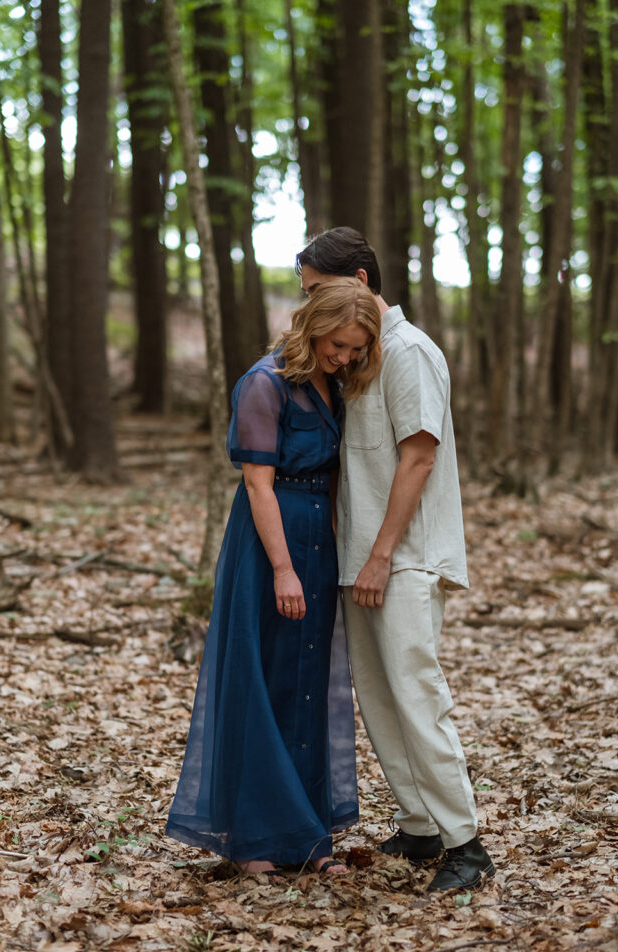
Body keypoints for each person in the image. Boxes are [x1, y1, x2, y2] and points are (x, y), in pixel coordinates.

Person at [295, 227, 494, 894]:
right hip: (361, 554)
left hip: (401, 557)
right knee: (379, 699)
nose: (310, 305)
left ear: (358, 279)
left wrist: (381, 556)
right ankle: (419, 825)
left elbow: (418, 456)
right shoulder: (365, 354)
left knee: (416, 694)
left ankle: (465, 844)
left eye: (318, 290)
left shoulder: (408, 352)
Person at [166, 279, 381, 879]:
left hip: (318, 539)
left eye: (355, 351)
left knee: (307, 679)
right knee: (262, 681)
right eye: (338, 344)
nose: (345, 357)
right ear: (314, 325)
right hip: (270, 545)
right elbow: (257, 484)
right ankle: (256, 837)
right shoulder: (265, 383)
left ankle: (309, 837)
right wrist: (283, 570)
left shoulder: (331, 386)